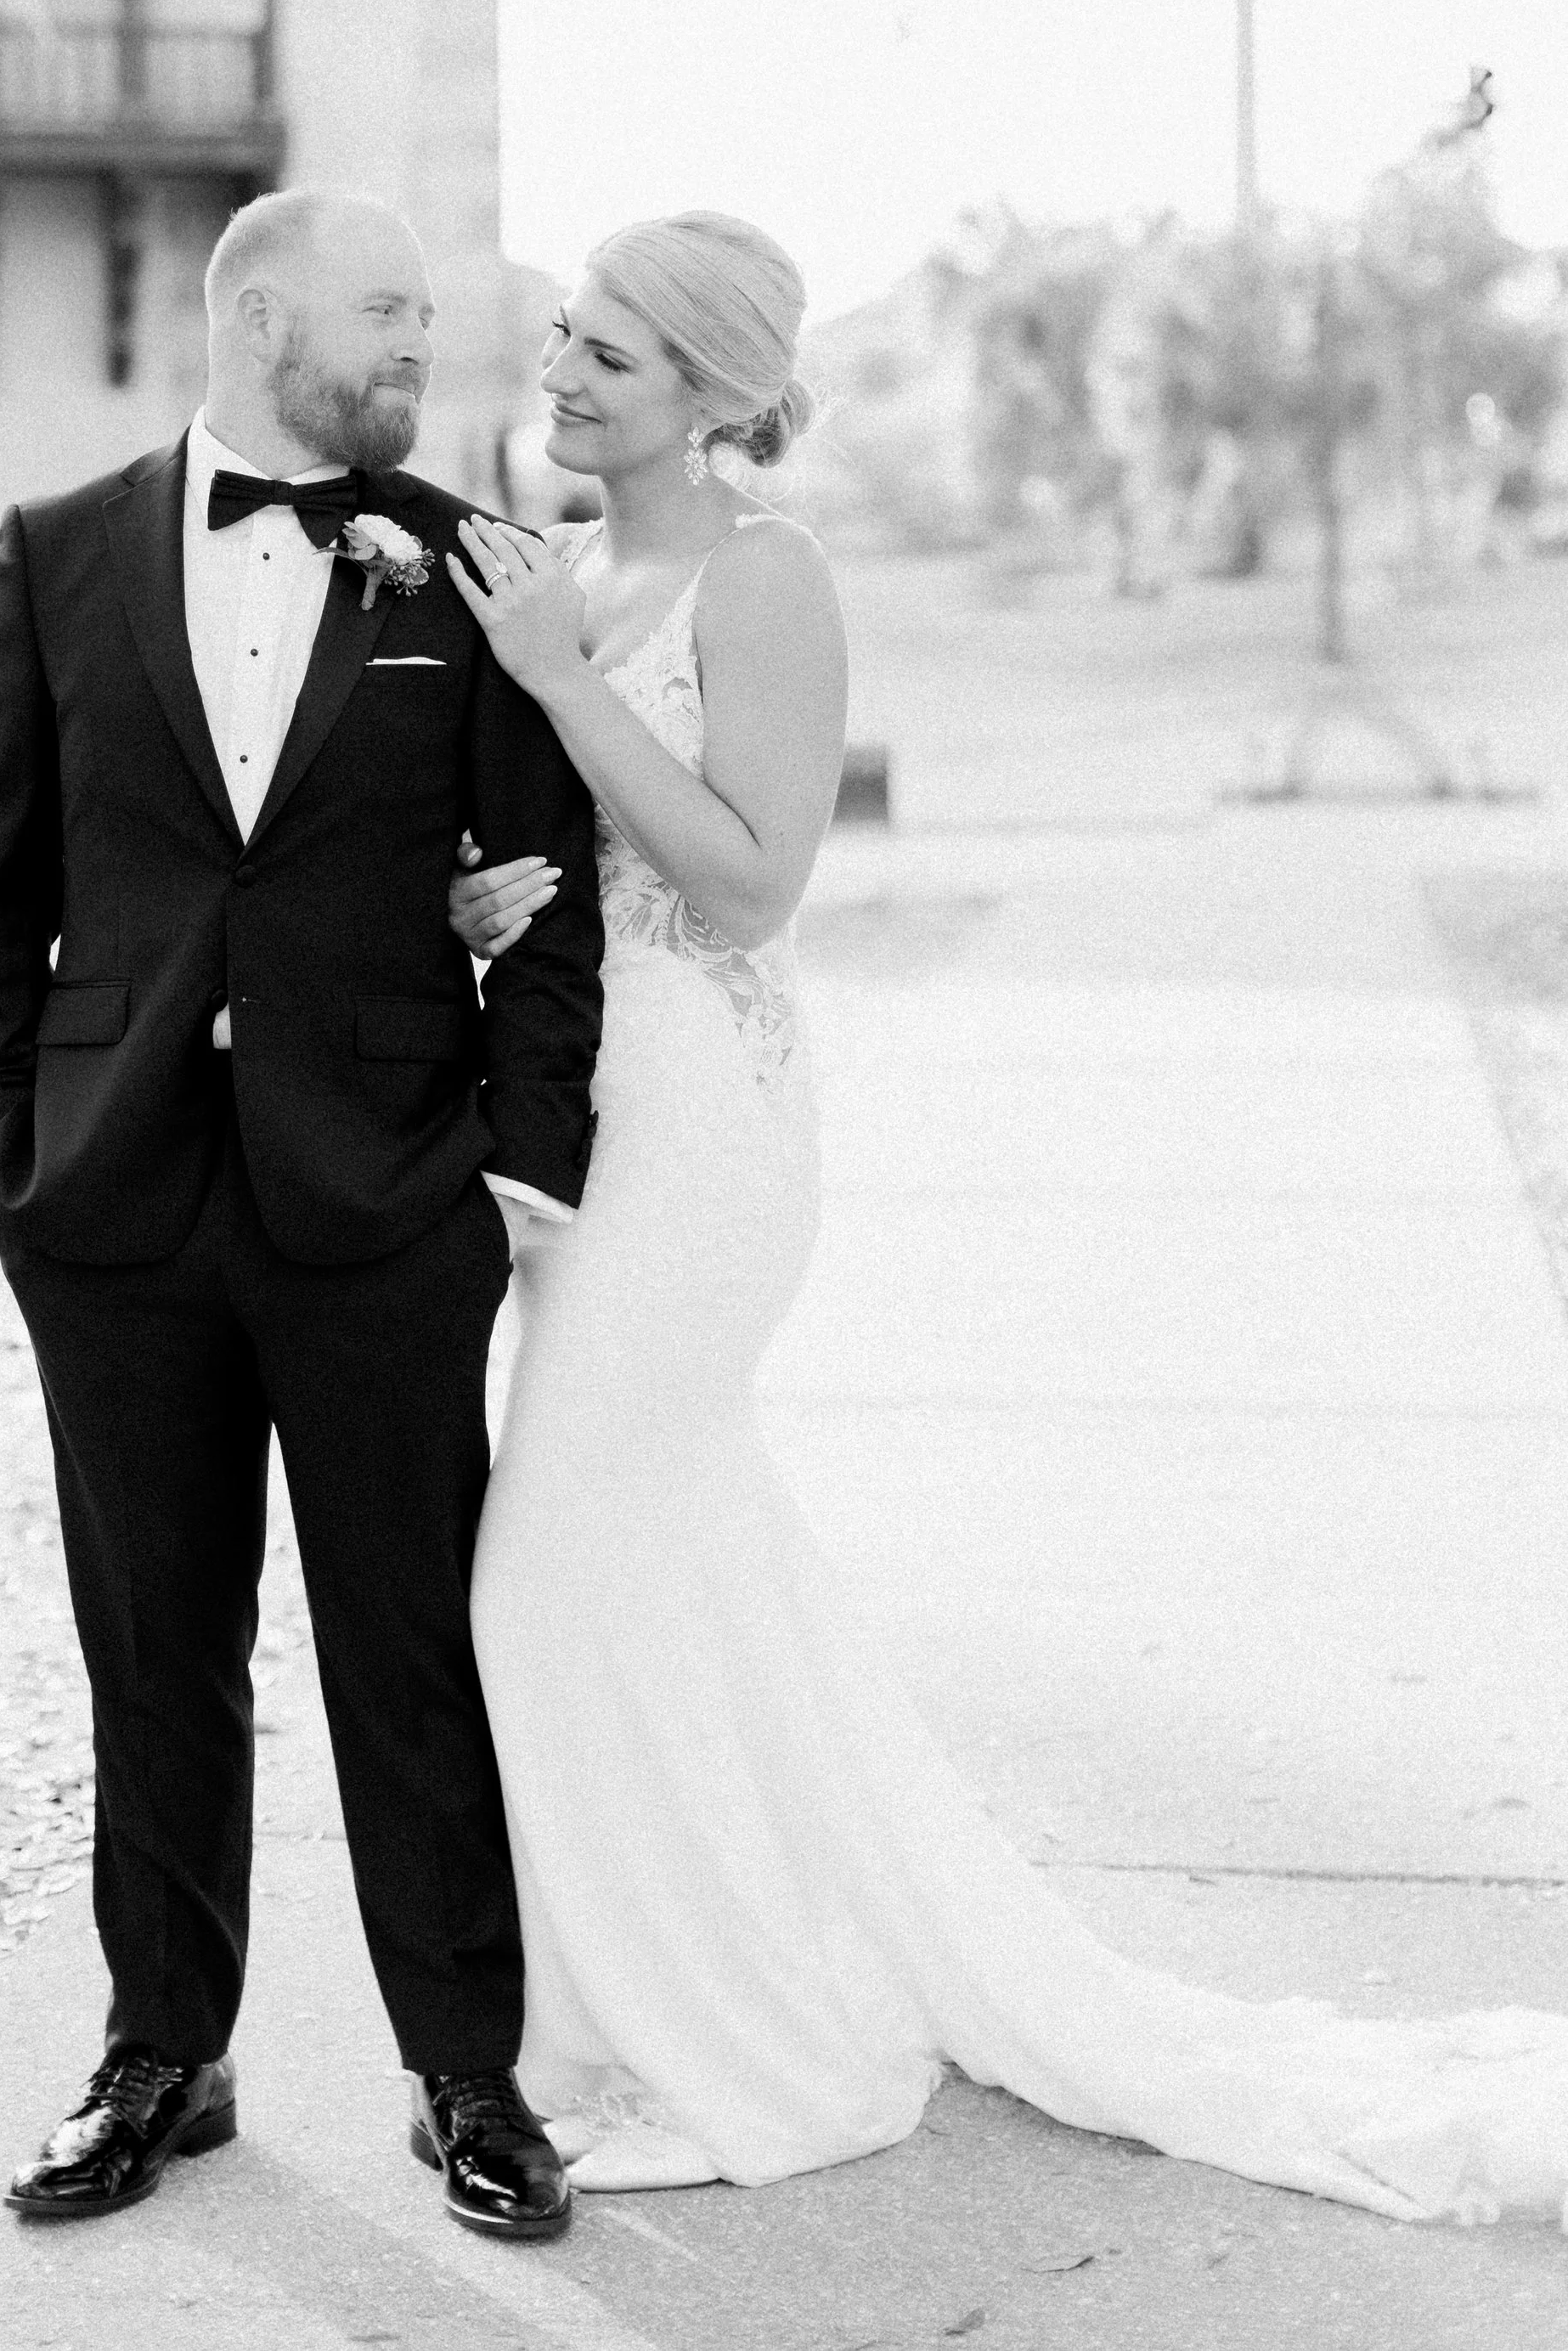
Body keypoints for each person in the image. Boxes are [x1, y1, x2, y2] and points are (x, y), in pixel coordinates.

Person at [444, 205, 1568, 2215]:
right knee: (676, 1572)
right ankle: (684, 1991)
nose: (559, 374)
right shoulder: (581, 574)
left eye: (606, 352)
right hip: (571, 1140)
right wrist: (484, 899)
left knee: (543, 1582)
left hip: (698, 1143)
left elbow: (748, 884)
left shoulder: (760, 579)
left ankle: (730, 2050)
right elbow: (578, 863)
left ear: (707, 395)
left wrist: (554, 686)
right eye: (563, 338)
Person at [0, 188, 603, 2240]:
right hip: (113, 1200)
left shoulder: (472, 560)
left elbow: (546, 890)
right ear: (253, 314)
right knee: (152, 1644)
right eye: (386, 309)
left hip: (387, 1194)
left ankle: (464, 2076)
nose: (425, 337)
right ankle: (165, 2051)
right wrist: (6, 1156)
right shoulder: (56, 554)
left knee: (408, 1641)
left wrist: (513, 1171)